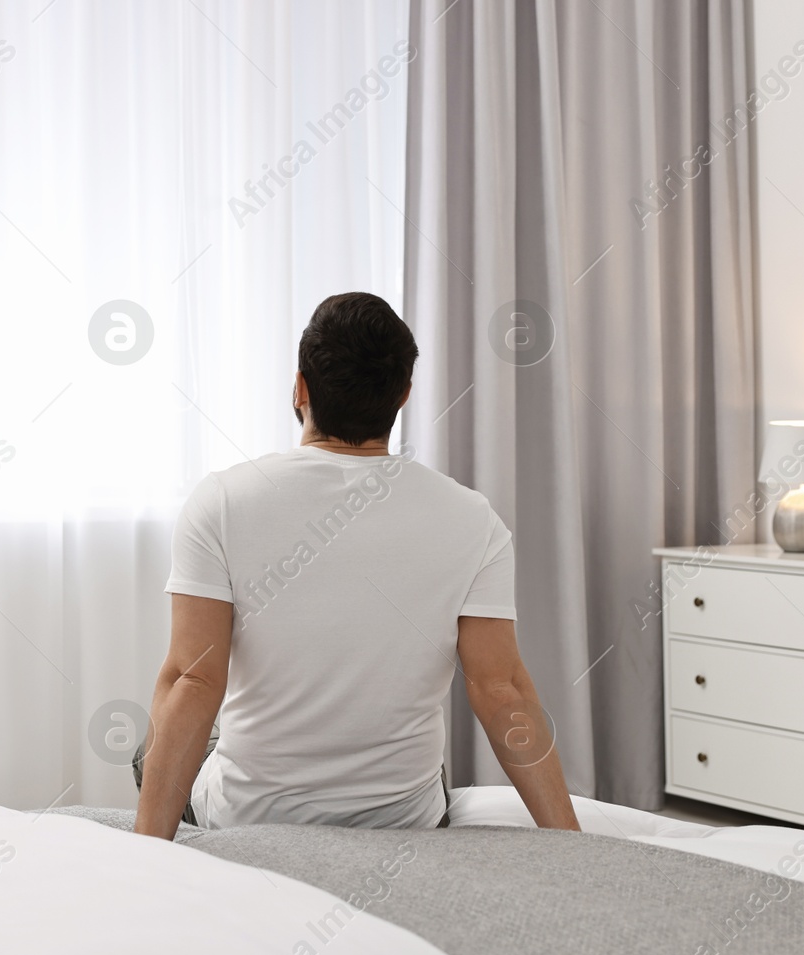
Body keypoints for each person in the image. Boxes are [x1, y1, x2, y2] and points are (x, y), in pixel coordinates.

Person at [132, 292, 580, 839]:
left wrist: (147, 858)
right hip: (403, 818)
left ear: (300, 387)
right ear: (404, 395)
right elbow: (502, 689)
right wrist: (568, 844)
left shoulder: (222, 500)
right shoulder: (472, 518)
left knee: (145, 751)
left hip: (251, 812)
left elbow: (193, 680)